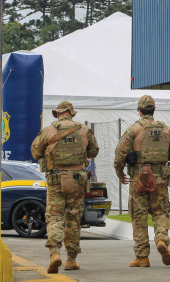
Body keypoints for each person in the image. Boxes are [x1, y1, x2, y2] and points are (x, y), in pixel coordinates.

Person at [30, 100, 99, 273]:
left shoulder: (48, 131)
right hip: (78, 180)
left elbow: (35, 152)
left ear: (58, 113)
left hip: (55, 180)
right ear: (72, 113)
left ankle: (54, 253)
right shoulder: (84, 130)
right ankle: (71, 260)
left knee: (55, 217)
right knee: (73, 219)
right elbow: (94, 151)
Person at [114, 94, 170, 267]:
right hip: (161, 178)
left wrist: (120, 172)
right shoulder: (167, 129)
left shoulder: (133, 129)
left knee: (139, 216)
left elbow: (119, 154)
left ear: (139, 110)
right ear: (154, 109)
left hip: (139, 177)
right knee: (160, 212)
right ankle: (161, 240)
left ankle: (142, 257)